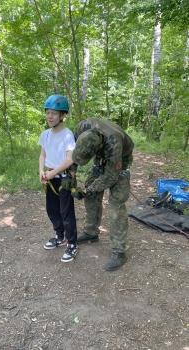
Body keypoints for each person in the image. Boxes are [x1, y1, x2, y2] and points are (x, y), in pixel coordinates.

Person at [72, 118, 134, 271]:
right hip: (100, 159)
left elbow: (111, 176)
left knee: (116, 204)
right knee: (91, 196)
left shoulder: (114, 142)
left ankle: (119, 251)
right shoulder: (81, 128)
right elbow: (71, 157)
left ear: (98, 145)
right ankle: (91, 232)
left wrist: (89, 189)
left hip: (120, 161)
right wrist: (71, 182)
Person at [39, 94, 78, 262]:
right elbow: (42, 155)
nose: (50, 116)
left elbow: (70, 159)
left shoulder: (67, 135)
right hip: (50, 178)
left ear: (62, 115)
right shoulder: (45, 134)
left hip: (63, 179)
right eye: (48, 112)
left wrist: (53, 173)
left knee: (66, 212)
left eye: (54, 113)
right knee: (52, 210)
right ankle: (60, 236)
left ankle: (72, 244)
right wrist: (41, 171)